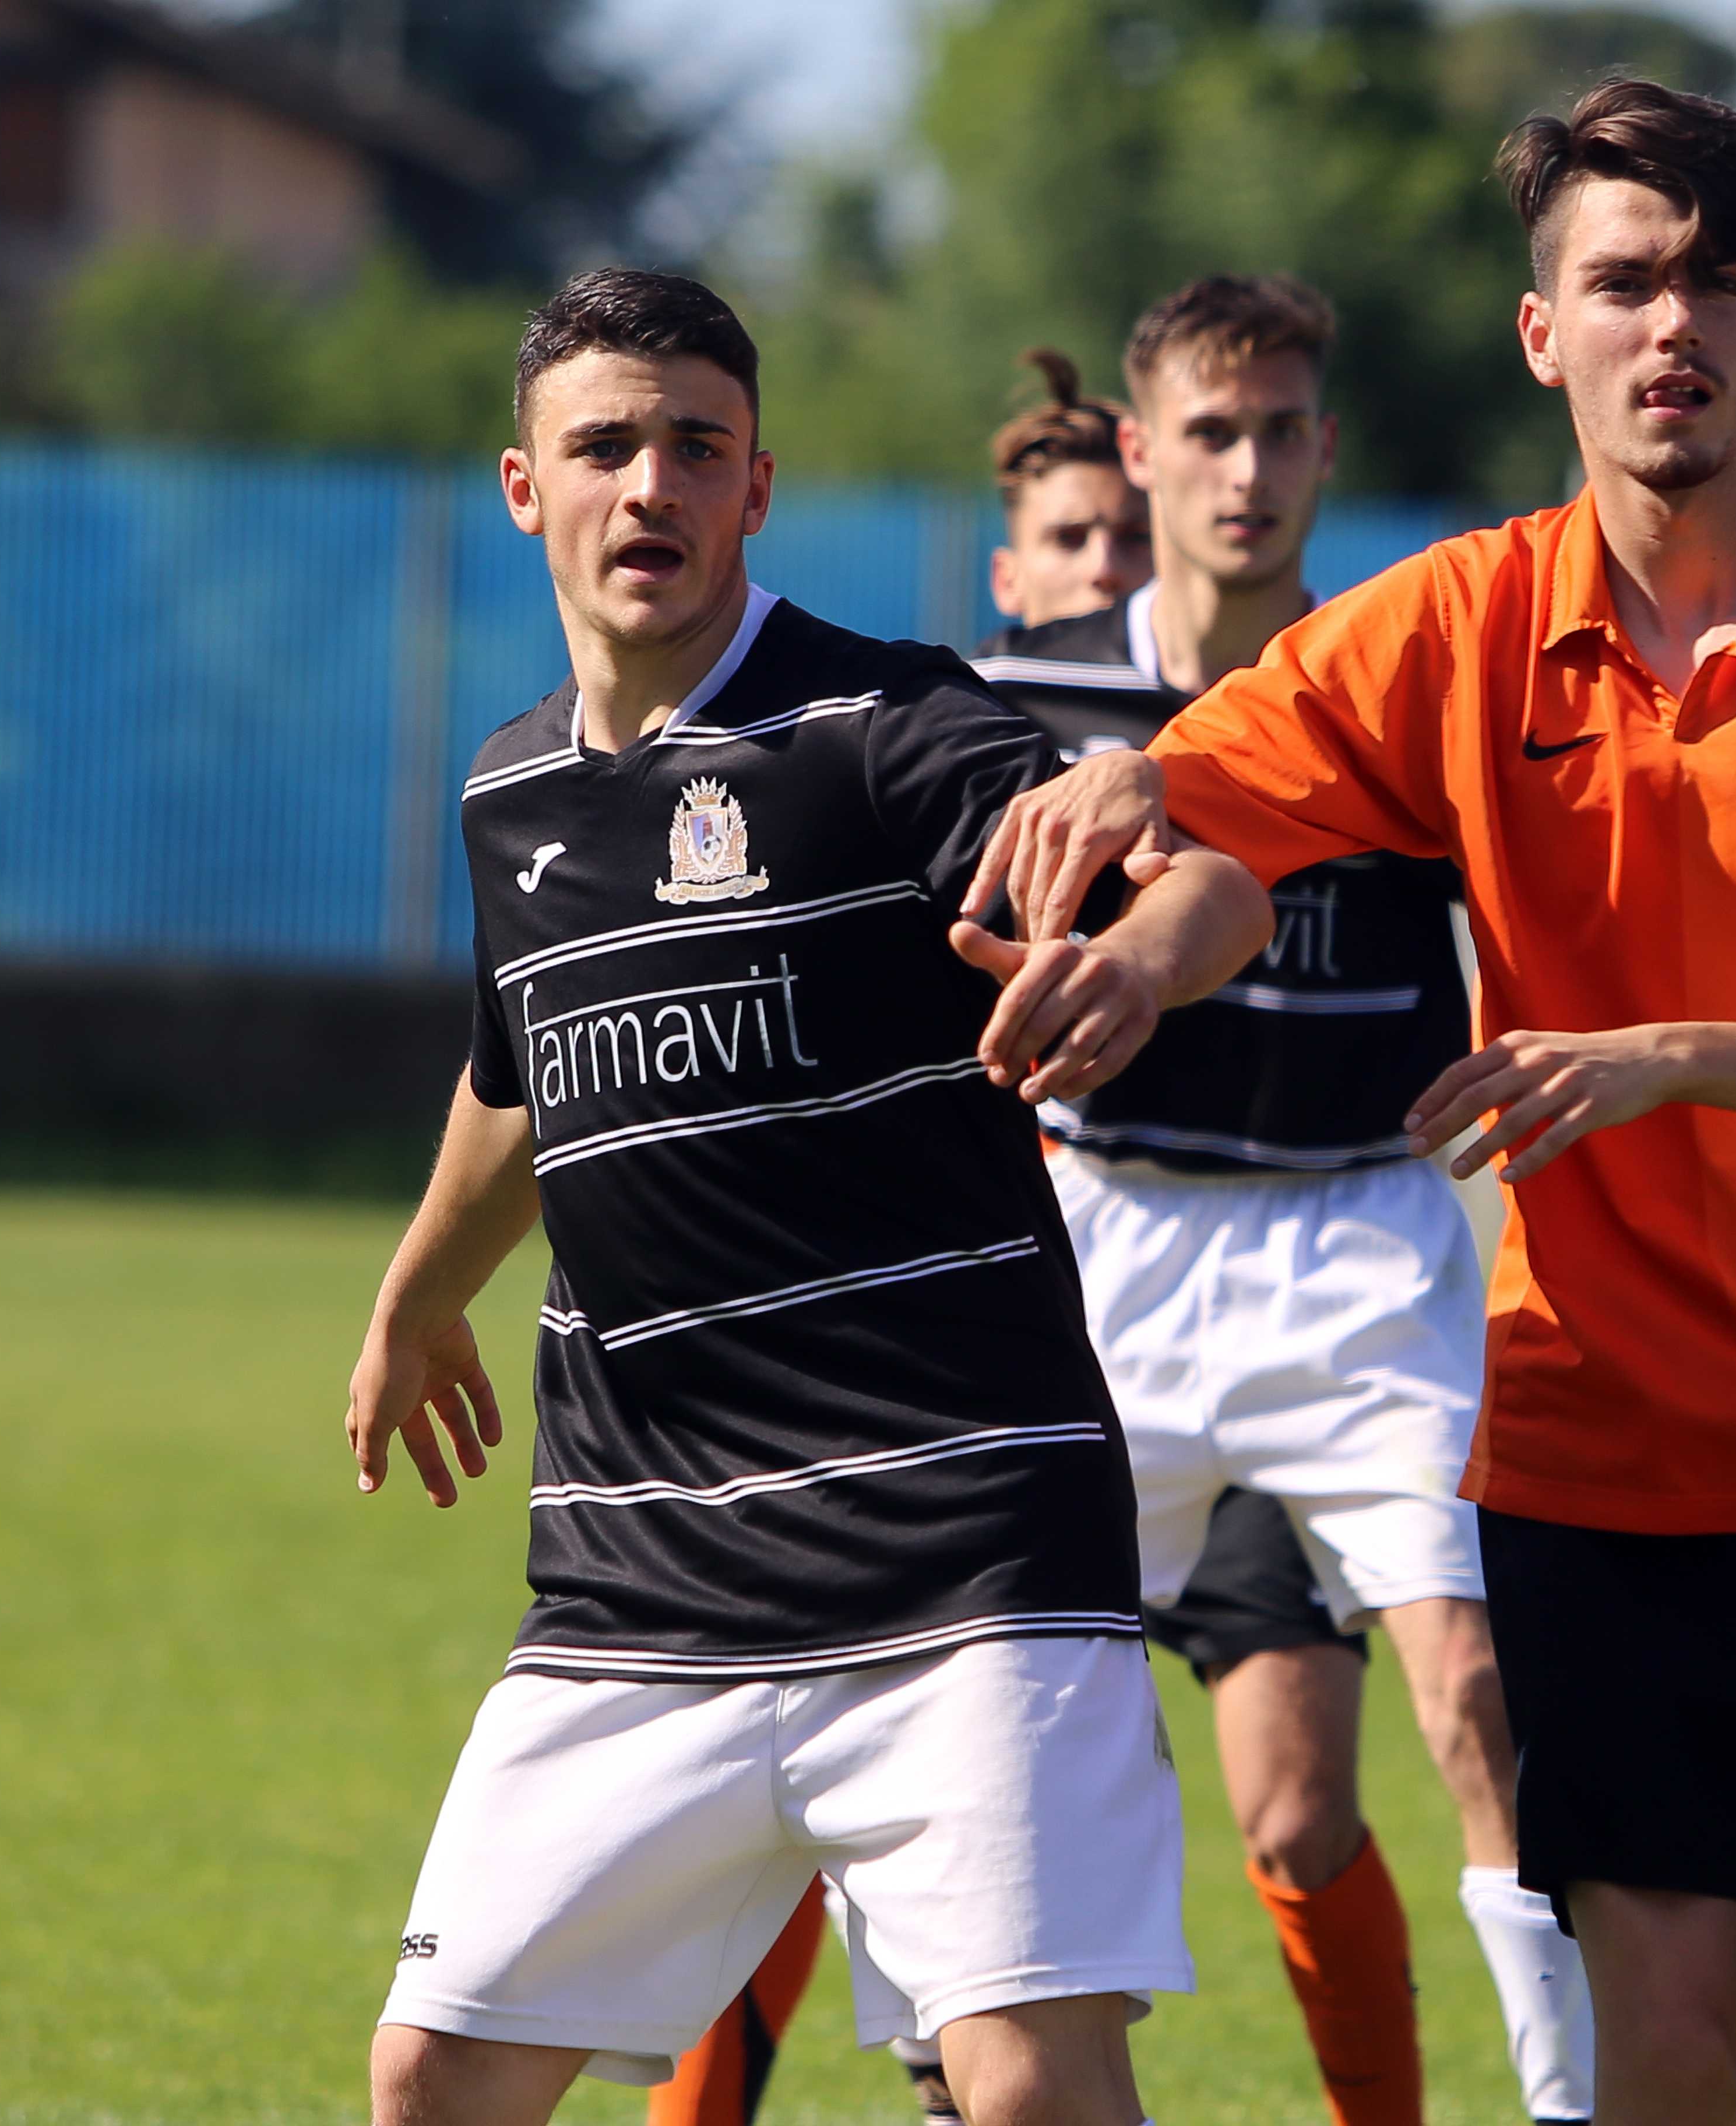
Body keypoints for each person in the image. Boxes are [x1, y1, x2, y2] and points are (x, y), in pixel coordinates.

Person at [973, 80, 1736, 2126]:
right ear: (1548, 335)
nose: (1668, 323)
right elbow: (1236, 814)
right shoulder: (1465, 617)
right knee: (1667, 2048)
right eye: (1620, 282)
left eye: (1715, 280)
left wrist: (1651, 1059)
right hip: (1604, 1461)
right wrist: (1128, 917)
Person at [346, 266, 1274, 2126]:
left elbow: (1208, 881)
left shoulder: (885, 725)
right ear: (524, 488)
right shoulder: (511, 795)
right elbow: (520, 1072)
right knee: (434, 2078)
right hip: (641, 1579)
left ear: (756, 489)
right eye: (603, 447)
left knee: (1027, 2090)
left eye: (697, 446)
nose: (651, 487)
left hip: (963, 1555)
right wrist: (415, 1292)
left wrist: (1136, 959)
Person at [975, 274, 1598, 2126]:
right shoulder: (1027, 699)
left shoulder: (1410, 692)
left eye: (1282, 432)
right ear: (1142, 450)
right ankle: (981, 2077)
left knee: (1471, 1682)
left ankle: (1566, 2107)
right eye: (1212, 433)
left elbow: (1546, 934)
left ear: (1327, 448)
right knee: (999, 1704)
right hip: (1113, 1244)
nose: (1247, 471)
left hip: (1366, 1239)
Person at [642, 343, 1161, 2126]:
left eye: (1125, 538)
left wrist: (1138, 935)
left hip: (1050, 1354)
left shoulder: (1182, 747)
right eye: (1068, 541)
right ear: (1014, 575)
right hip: (878, 1354)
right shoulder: (844, 748)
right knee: (779, 1814)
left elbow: (1157, 900)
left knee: (1044, 1958)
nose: (1104, 571)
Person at [988, 348, 1155, 630]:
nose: (1105, 570)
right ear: (1007, 581)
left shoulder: (1238, 674)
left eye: (1137, 537)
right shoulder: (970, 674)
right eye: (1068, 539)